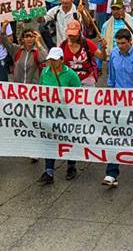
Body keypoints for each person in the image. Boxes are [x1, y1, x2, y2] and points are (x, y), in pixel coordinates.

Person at [95, 29, 133, 186]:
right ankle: (112, 174)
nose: (120, 46)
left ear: (130, 42)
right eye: (118, 43)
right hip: (118, 101)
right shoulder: (114, 54)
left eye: (123, 43)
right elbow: (111, 79)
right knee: (115, 136)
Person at [38, 47, 82, 184]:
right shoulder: (44, 73)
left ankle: (71, 166)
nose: (51, 62)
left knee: (68, 139)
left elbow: (79, 95)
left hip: (66, 113)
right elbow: (40, 90)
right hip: (49, 113)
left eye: (55, 60)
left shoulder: (71, 75)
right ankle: (49, 171)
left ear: (62, 60)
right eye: (50, 60)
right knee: (49, 141)